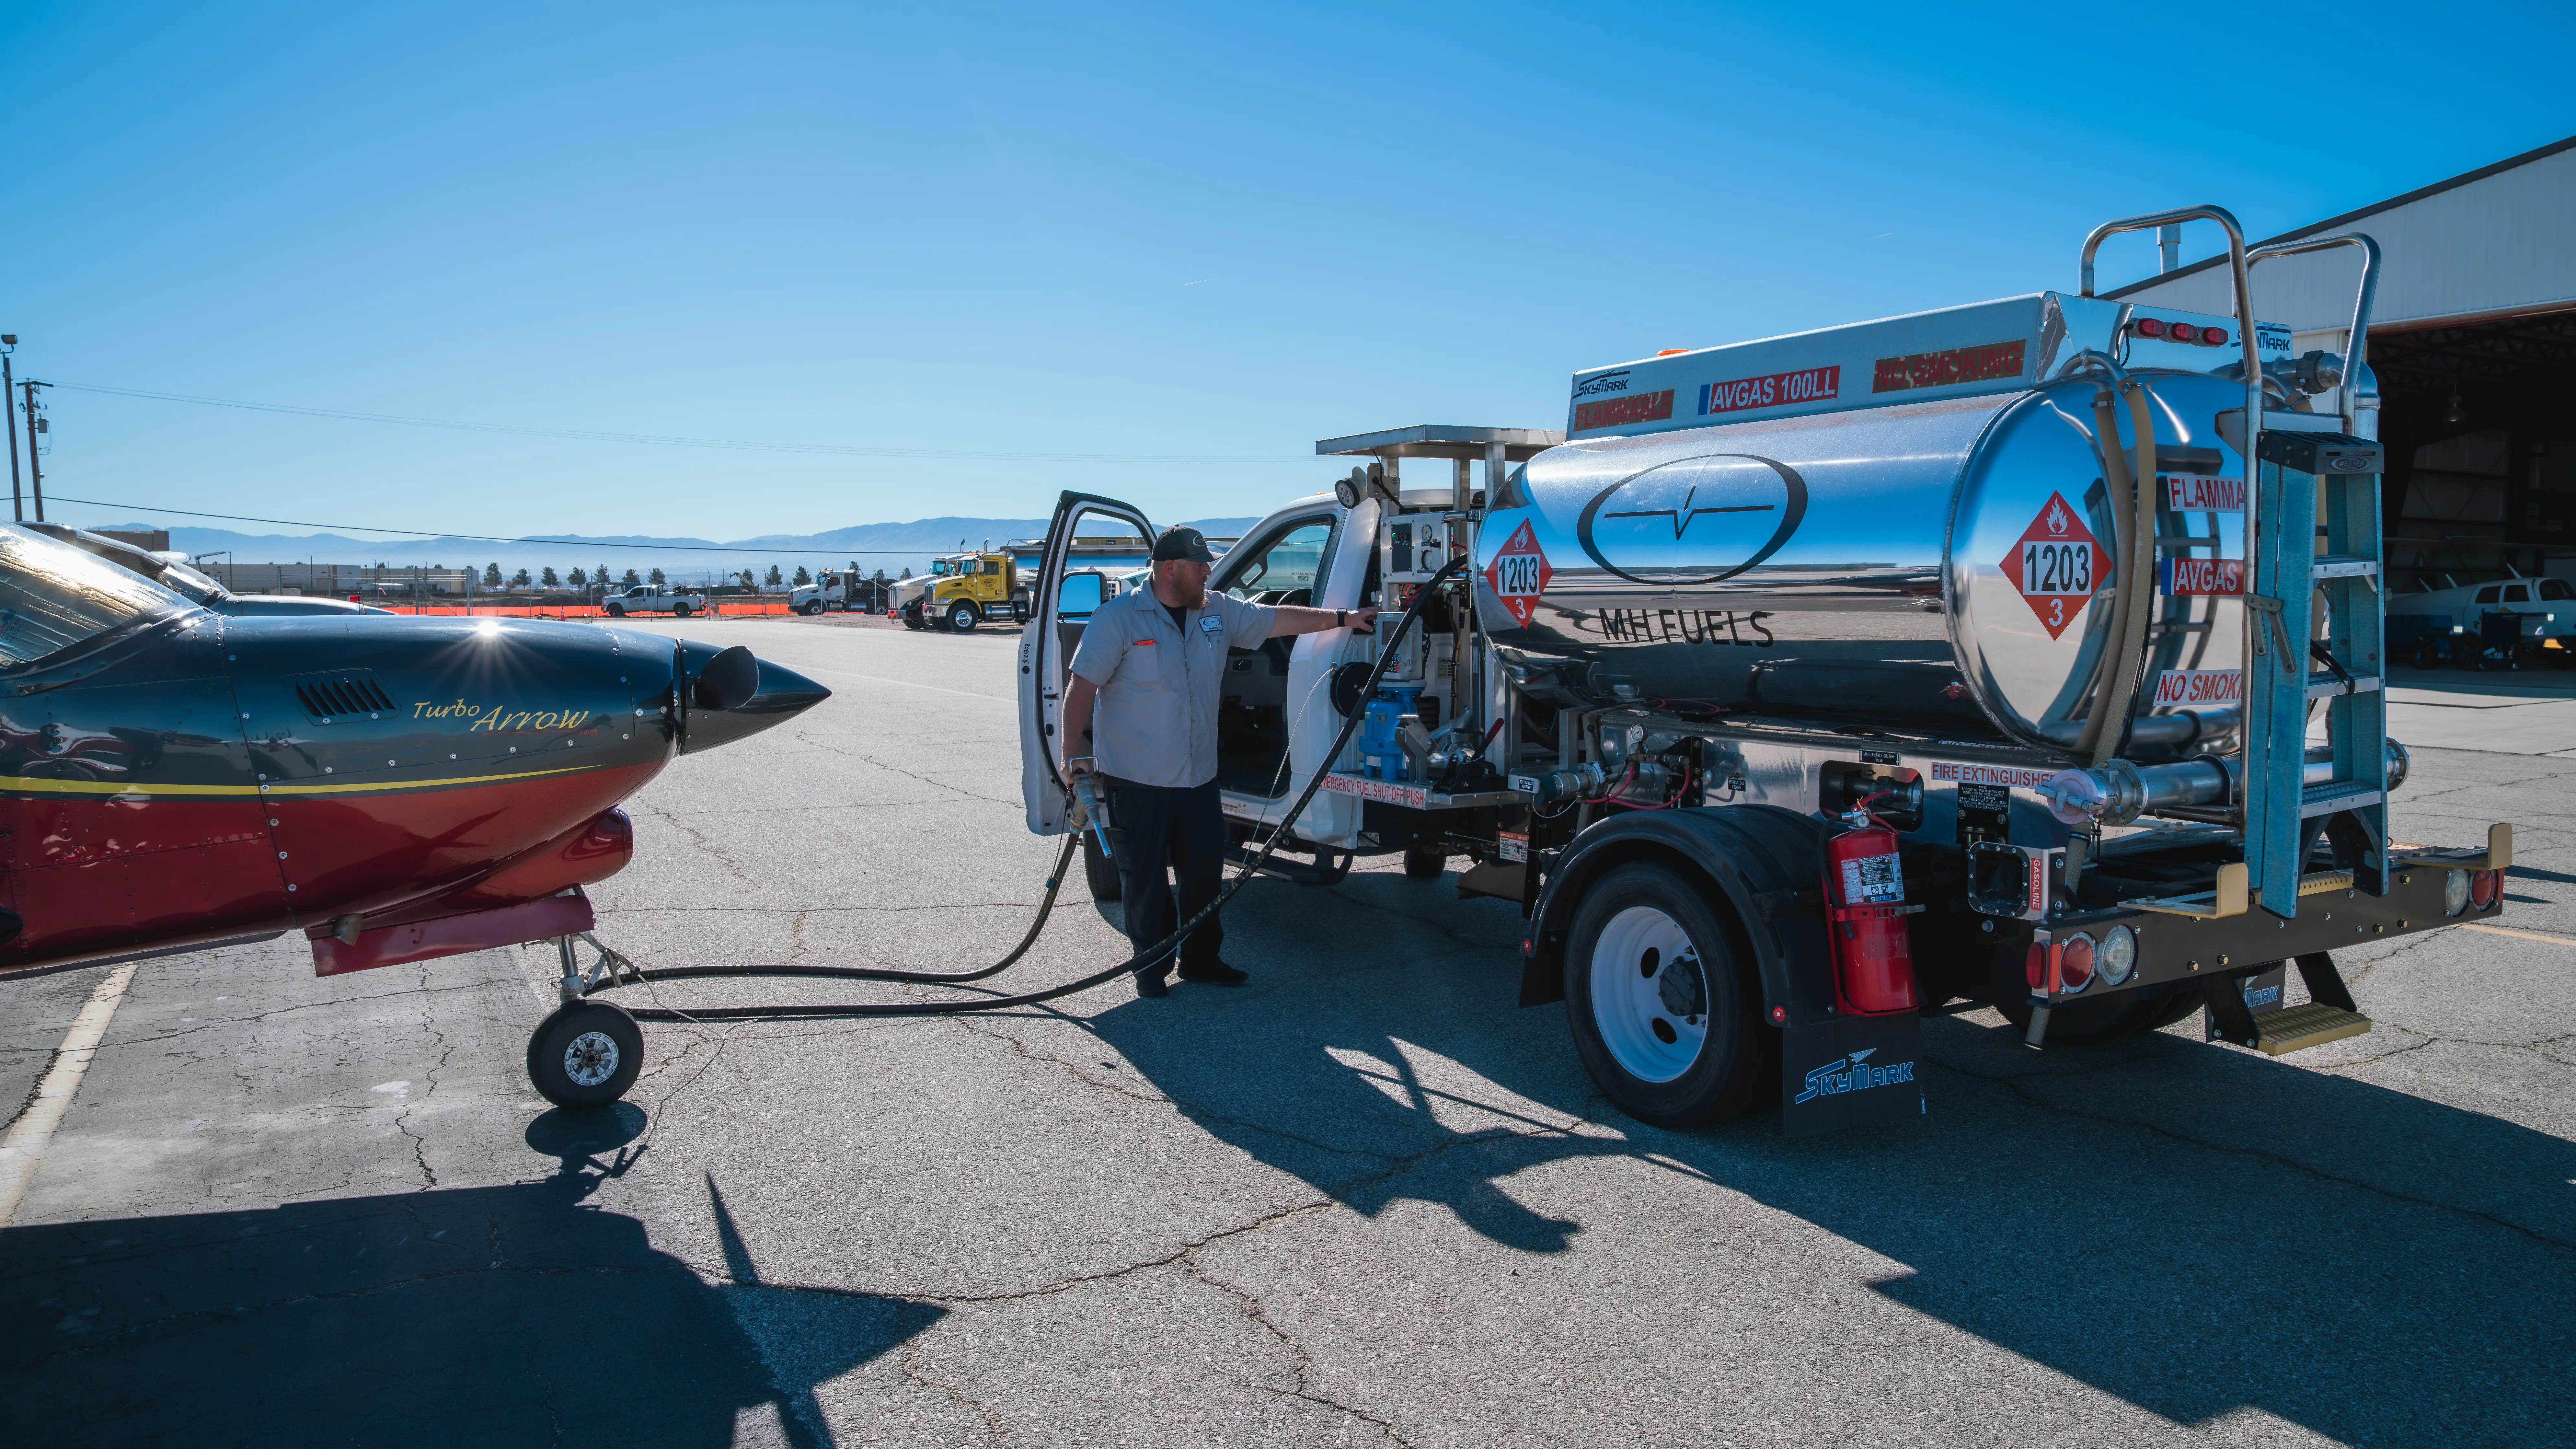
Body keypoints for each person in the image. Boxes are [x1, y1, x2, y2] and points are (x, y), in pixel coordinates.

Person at [1061, 526, 1378, 997]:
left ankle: (1201, 960)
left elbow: (1276, 620)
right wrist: (1073, 755)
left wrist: (1343, 618)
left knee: (1204, 875)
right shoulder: (1119, 619)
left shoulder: (1216, 610)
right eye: (1200, 565)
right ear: (1171, 569)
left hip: (1198, 778)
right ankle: (1151, 969)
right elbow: (1082, 687)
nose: (1209, 572)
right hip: (1138, 779)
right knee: (1145, 879)